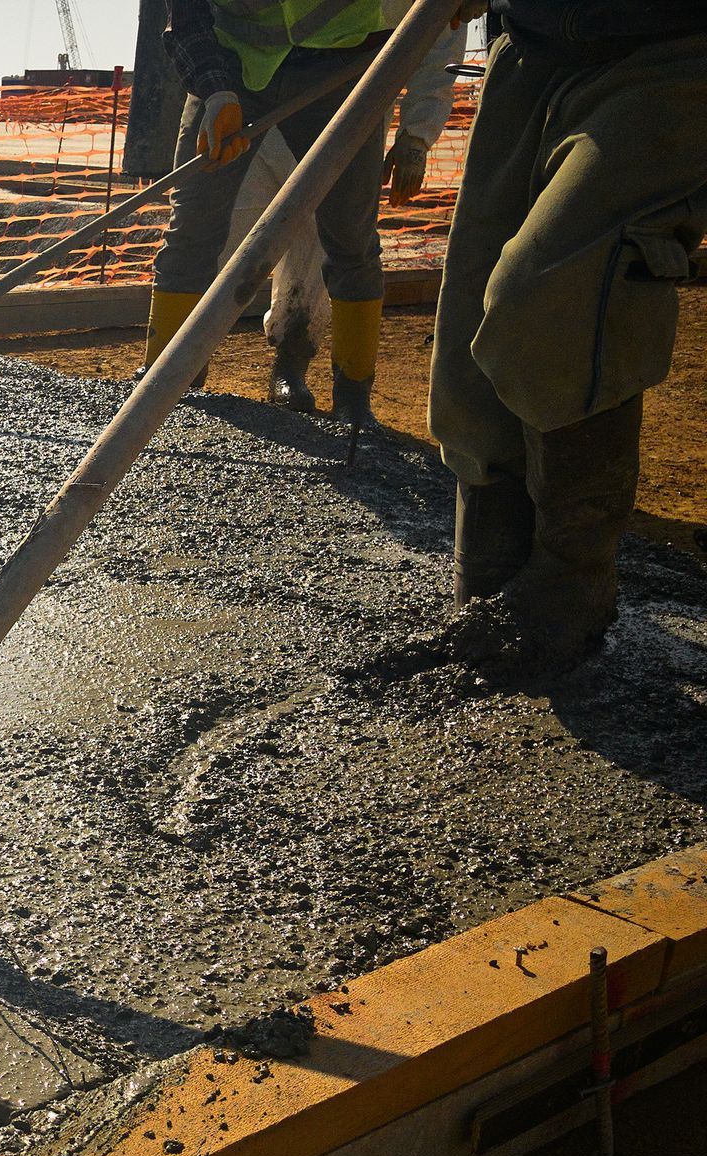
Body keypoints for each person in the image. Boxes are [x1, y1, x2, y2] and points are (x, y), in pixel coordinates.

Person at [430, 1, 707, 675]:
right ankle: (489, 572)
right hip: (531, 43)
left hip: (671, 45)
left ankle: (569, 584)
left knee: (554, 295)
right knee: (471, 316)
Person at [146, 0, 392, 431]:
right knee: (193, 227)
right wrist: (215, 89)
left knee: (350, 236)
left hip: (341, 62)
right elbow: (186, 15)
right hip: (232, 63)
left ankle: (354, 401)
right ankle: (164, 387)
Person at [223, 0, 468, 412]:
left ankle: (295, 365)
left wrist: (416, 133)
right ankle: (181, 381)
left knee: (324, 248)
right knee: (220, 241)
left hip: (344, 109)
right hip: (252, 97)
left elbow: (439, 29)